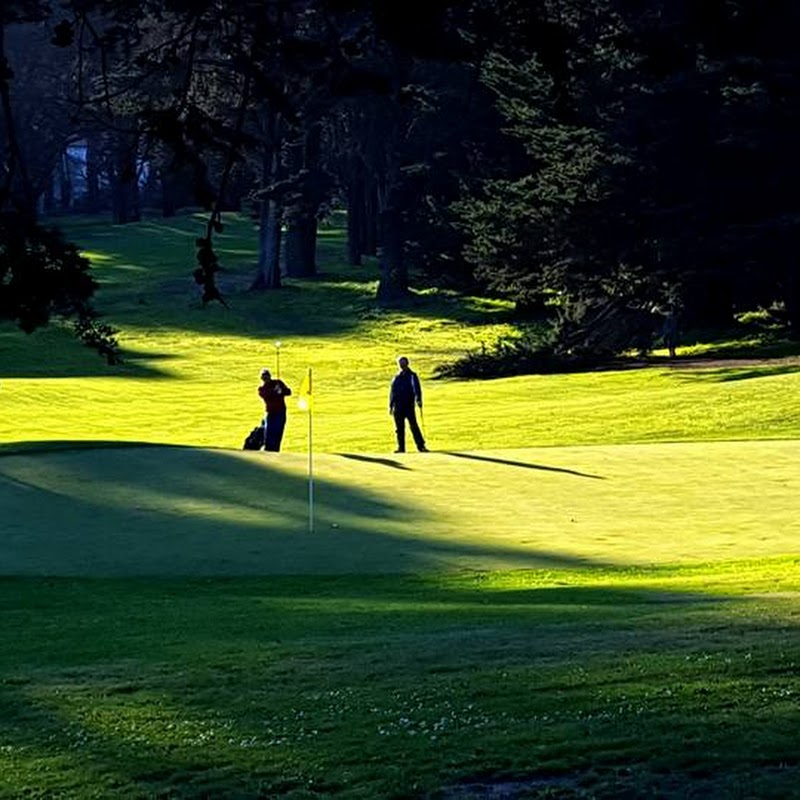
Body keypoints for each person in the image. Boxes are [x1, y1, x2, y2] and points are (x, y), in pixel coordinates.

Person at [389, 356, 428, 453]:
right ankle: (401, 448)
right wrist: (391, 405)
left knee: (413, 426)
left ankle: (421, 446)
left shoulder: (412, 375)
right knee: (399, 428)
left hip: (408, 405)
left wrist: (418, 399)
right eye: (400, 363)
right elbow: (392, 392)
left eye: (403, 363)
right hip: (397, 406)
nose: (401, 365)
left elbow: (417, 389)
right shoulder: (396, 377)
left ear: (407, 363)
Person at [258, 368, 292, 452]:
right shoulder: (261, 389)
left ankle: (276, 450)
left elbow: (288, 392)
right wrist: (276, 391)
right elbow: (267, 395)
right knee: (268, 431)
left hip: (280, 411)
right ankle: (268, 450)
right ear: (262, 379)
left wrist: (281, 390)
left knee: (278, 431)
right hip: (270, 412)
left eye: (267, 376)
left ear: (270, 376)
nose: (266, 379)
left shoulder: (278, 383)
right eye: (264, 377)